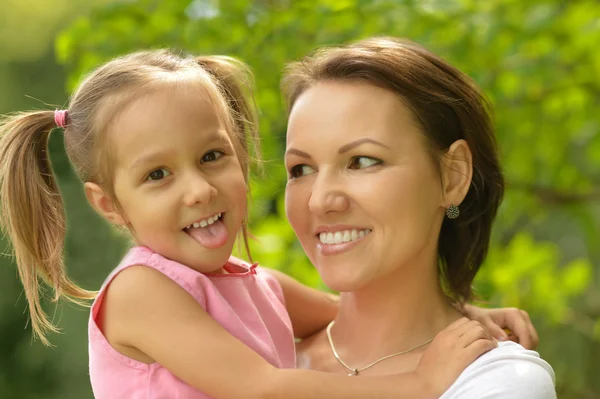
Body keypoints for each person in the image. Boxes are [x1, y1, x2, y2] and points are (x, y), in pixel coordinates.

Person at [0, 48, 501, 399]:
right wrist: (420, 386)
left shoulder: (253, 285)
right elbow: (263, 388)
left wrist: (469, 319)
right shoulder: (140, 293)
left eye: (213, 155)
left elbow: (358, 314)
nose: (198, 189)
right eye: (157, 174)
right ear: (110, 205)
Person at [281, 37, 556, 397]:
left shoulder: (499, 380)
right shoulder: (252, 356)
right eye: (301, 168)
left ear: (453, 175)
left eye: (362, 161)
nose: (320, 201)